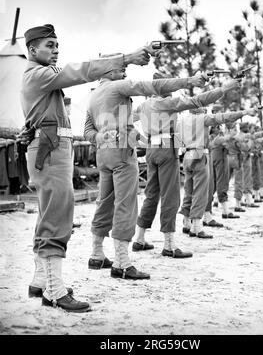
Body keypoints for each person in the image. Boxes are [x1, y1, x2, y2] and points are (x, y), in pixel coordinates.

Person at [21, 23, 150, 312]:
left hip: (49, 149)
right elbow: (79, 71)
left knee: (49, 215)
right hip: (50, 151)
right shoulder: (39, 74)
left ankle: (41, 281)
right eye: (49, 46)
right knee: (57, 217)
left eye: (57, 45)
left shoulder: (39, 76)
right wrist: (127, 58)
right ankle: (54, 291)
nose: (56, 51)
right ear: (32, 50)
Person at [84, 67, 209, 278]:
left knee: (104, 202)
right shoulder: (121, 87)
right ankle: (122, 262)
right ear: (111, 70)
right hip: (127, 153)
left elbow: (89, 130)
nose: (124, 74)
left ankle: (97, 254)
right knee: (127, 204)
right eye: (121, 70)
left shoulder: (94, 95)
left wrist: (105, 137)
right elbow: (152, 87)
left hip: (105, 153)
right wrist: (194, 80)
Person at [133, 77, 240, 254]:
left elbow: (128, 118)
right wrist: (224, 88)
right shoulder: (167, 103)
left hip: (151, 148)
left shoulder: (144, 105)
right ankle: (168, 245)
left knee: (151, 194)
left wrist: (142, 140)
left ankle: (140, 237)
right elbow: (198, 100)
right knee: (171, 196)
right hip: (167, 148)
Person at [178, 107, 256, 236]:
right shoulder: (204, 121)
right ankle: (196, 227)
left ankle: (187, 222)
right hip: (201, 155)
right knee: (201, 191)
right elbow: (217, 136)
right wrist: (244, 113)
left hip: (187, 155)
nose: (204, 110)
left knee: (189, 190)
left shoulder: (183, 121)